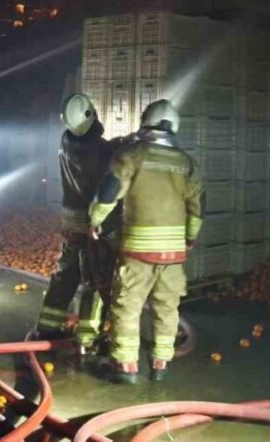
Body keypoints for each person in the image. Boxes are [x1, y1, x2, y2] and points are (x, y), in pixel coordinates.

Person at [89, 99, 203, 383]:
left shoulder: (131, 155)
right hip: (174, 253)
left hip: (138, 251)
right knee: (167, 307)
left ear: (145, 122)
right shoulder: (187, 163)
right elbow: (198, 208)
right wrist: (189, 238)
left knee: (127, 306)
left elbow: (108, 192)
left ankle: (126, 367)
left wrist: (95, 220)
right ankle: (161, 365)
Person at [34, 94, 121, 354]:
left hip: (70, 220)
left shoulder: (66, 141)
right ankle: (87, 336)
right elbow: (107, 168)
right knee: (95, 277)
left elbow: (94, 149)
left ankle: (47, 325)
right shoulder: (100, 151)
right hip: (92, 222)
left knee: (66, 272)